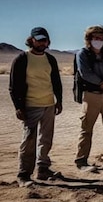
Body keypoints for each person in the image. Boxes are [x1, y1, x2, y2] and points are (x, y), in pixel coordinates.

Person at [9, 27, 63, 186]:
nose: (41, 42)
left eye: (44, 40)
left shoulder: (50, 59)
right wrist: (18, 106)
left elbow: (56, 82)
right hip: (30, 105)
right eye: (38, 39)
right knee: (29, 140)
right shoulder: (22, 59)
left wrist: (58, 101)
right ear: (31, 40)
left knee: (46, 139)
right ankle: (24, 174)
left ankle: (42, 169)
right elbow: (13, 86)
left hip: (48, 104)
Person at [74, 25, 103, 171]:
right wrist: (101, 83)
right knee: (86, 128)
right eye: (95, 37)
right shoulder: (83, 54)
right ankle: (81, 161)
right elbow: (84, 73)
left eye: (100, 38)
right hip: (91, 95)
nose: (98, 40)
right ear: (89, 39)